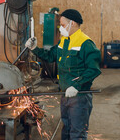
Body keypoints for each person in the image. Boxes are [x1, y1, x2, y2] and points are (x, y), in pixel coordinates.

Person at [25, 9, 101, 140]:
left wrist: (77, 86)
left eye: (63, 25)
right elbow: (50, 56)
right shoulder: (64, 41)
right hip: (64, 94)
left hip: (79, 97)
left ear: (73, 23)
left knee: (77, 133)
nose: (61, 28)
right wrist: (34, 48)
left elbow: (93, 70)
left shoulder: (86, 43)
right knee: (66, 129)